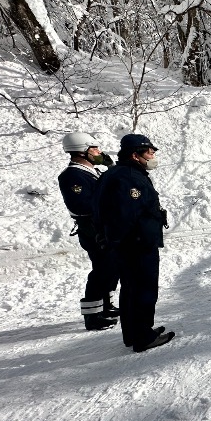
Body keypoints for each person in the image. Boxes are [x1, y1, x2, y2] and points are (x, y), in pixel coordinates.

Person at [94, 134, 174, 353]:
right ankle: (143, 337)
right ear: (134, 155)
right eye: (149, 152)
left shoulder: (120, 173)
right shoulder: (129, 178)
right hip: (137, 245)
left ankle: (133, 334)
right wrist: (131, 241)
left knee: (130, 289)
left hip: (129, 245)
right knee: (144, 290)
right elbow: (126, 215)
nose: (153, 155)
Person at [57, 132, 120, 331]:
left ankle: (106, 305)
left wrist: (110, 169)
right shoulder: (72, 176)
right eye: (95, 149)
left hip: (106, 227)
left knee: (112, 267)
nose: (99, 152)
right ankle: (92, 315)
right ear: (82, 152)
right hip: (92, 229)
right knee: (102, 269)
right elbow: (82, 205)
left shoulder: (93, 171)